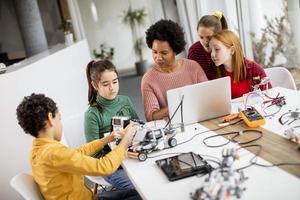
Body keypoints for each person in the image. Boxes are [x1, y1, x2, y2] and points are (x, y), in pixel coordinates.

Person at [16, 93, 140, 200]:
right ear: (50, 118)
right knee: (141, 193)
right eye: (60, 119)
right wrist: (125, 141)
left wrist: (107, 139)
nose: (61, 124)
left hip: (89, 196)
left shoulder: (38, 151)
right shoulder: (53, 153)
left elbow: (75, 154)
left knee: (136, 192)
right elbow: (104, 167)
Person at [85, 59, 138, 189]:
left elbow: (138, 126)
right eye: (105, 84)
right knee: (136, 187)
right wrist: (122, 155)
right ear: (95, 85)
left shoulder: (125, 100)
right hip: (109, 166)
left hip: (131, 155)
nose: (112, 87)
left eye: (115, 82)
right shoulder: (92, 114)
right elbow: (94, 155)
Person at [142, 19, 208, 121]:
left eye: (164, 53)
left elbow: (209, 96)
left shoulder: (193, 67)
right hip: (172, 128)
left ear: (175, 51)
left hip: (200, 119)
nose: (158, 58)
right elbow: (151, 116)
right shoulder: (148, 79)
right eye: (154, 52)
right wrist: (179, 103)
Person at [209, 30, 272, 99]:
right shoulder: (212, 72)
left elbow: (269, 96)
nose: (212, 54)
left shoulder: (254, 69)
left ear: (232, 50)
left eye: (217, 49)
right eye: (211, 50)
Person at [188, 11, 228, 80]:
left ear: (219, 35)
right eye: (201, 37)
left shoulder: (225, 49)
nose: (205, 41)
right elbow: (191, 77)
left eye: (209, 37)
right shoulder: (194, 51)